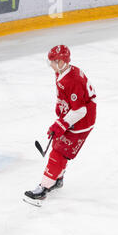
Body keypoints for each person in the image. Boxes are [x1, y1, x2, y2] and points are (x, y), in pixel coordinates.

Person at [24, 45, 97, 205]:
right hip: (74, 116)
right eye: (51, 61)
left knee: (58, 152)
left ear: (63, 62)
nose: (52, 64)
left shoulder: (73, 80)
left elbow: (80, 110)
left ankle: (44, 188)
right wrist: (61, 105)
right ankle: (58, 179)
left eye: (55, 61)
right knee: (59, 146)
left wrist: (61, 125)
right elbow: (65, 95)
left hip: (82, 121)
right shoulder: (61, 72)